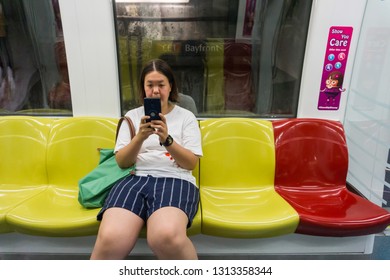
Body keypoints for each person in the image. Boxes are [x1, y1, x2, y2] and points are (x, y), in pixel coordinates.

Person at [90, 59, 202, 260]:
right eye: (150, 85)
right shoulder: (132, 117)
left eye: (161, 84)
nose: (156, 91)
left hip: (175, 178)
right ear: (143, 88)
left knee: (165, 236)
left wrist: (166, 139)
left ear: (170, 87)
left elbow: (191, 163)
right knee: (110, 237)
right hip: (134, 177)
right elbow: (122, 162)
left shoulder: (186, 117)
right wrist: (140, 136)